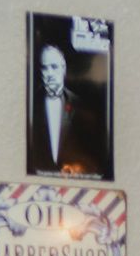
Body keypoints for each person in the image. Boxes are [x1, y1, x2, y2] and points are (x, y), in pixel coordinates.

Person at [28, 39, 104, 178]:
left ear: (64, 69)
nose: (50, 73)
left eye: (54, 67)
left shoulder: (80, 106)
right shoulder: (29, 106)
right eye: (45, 68)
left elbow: (94, 157)